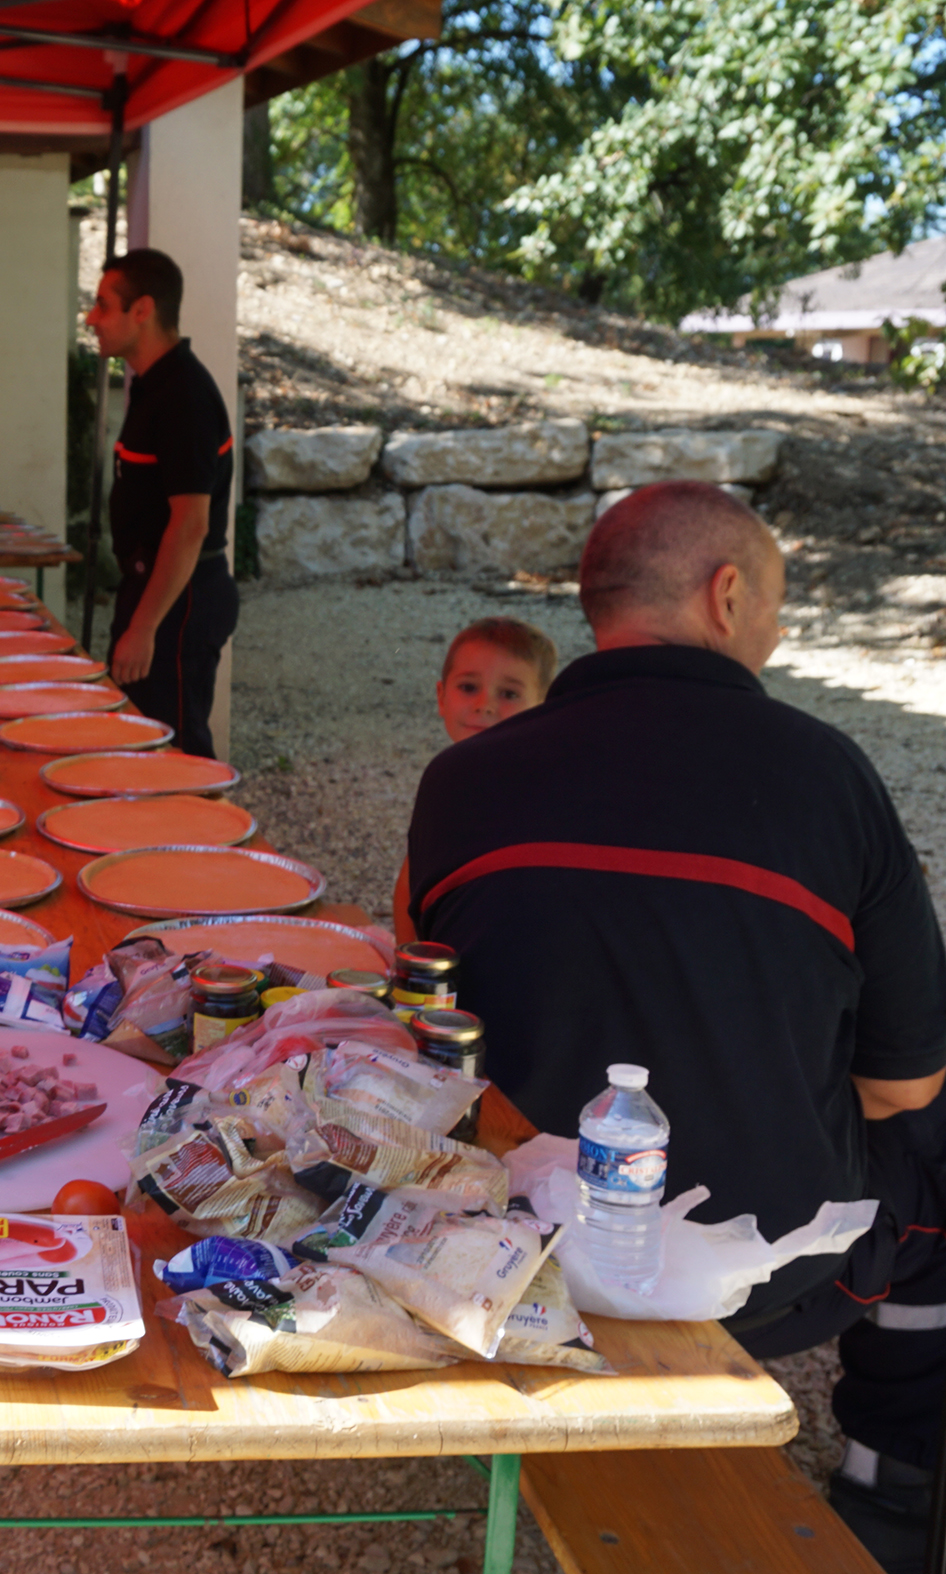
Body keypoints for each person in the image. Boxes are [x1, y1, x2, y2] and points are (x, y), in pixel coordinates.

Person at [404, 482, 946, 1572]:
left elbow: (424, 1021)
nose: (779, 633)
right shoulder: (828, 775)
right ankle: (893, 1479)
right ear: (727, 592)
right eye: (778, 605)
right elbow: (906, 1082)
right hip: (764, 1272)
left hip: (511, 1251)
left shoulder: (458, 780)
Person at [83, 248, 238, 758]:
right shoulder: (154, 386)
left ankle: (204, 840)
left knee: (176, 753)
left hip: (180, 599)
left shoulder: (183, 395)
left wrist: (145, 626)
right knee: (138, 744)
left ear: (142, 309)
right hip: (155, 590)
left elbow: (190, 525)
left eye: (104, 305)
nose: (92, 318)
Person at [390, 617, 558, 942]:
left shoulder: (542, 790)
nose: (485, 706)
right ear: (441, 697)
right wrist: (410, 965)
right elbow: (411, 884)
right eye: (468, 688)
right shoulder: (446, 783)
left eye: (509, 693)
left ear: (543, 706)